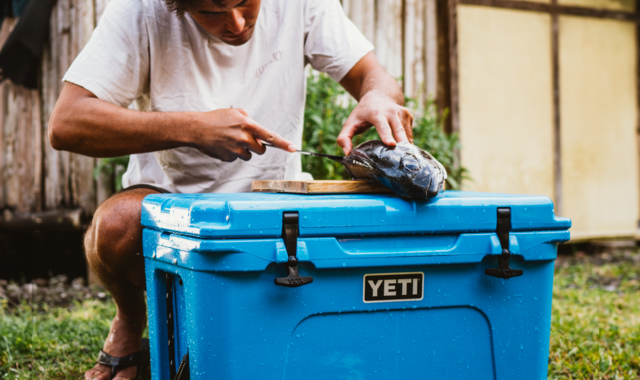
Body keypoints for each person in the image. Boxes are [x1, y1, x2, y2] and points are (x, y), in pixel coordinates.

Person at [49, 0, 413, 378]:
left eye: (245, 2)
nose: (237, 23)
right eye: (212, 12)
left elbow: (374, 76)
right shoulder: (140, 10)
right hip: (168, 208)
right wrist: (191, 130)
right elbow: (67, 123)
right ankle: (129, 317)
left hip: (272, 208)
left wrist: (378, 98)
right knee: (116, 225)